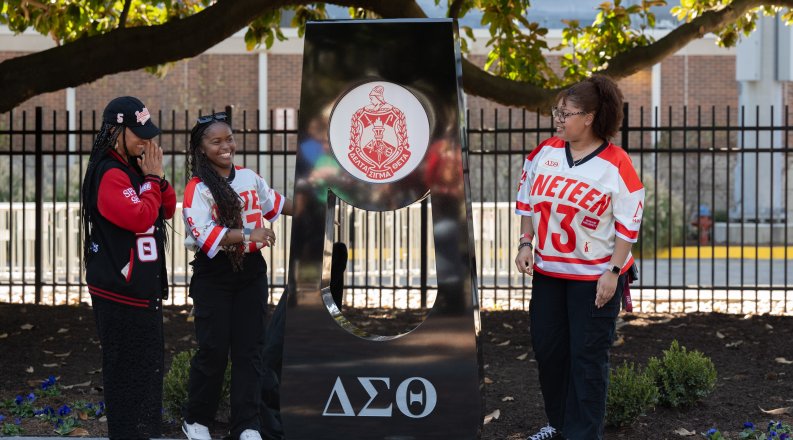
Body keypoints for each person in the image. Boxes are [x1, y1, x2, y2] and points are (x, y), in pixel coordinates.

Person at [514, 75, 644, 440]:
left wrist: (613, 272)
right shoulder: (545, 152)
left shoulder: (615, 163)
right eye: (557, 111)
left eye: (565, 113)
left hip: (595, 278)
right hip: (550, 273)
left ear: (589, 117)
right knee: (549, 351)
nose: (558, 119)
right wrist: (526, 243)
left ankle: (583, 434)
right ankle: (557, 425)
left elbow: (628, 225)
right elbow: (527, 201)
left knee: (587, 358)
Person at [181, 112, 292, 440]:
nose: (225, 146)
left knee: (250, 350)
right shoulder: (196, 188)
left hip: (252, 273)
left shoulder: (249, 177)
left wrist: (321, 202)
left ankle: (246, 424)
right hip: (214, 274)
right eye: (216, 141)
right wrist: (248, 234)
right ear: (201, 148)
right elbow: (205, 235)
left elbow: (278, 204)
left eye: (228, 138)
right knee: (213, 349)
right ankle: (197, 419)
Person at [81, 96, 176, 439]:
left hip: (141, 293)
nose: (146, 141)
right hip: (119, 294)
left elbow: (166, 208)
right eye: (138, 134)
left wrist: (157, 180)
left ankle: (141, 431)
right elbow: (139, 216)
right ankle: (126, 433)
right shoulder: (109, 173)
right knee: (124, 373)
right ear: (116, 131)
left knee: (146, 370)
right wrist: (151, 180)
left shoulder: (136, 169)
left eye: (148, 134)